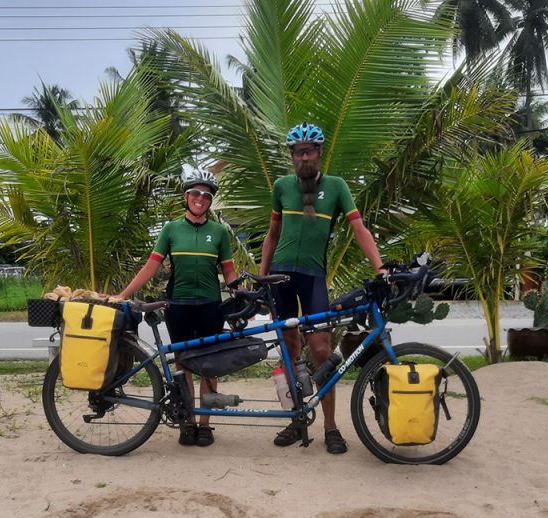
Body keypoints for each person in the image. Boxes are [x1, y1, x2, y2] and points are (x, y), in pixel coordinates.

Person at [259, 122, 384, 454]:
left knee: (321, 351)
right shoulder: (282, 187)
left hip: (313, 277)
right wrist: (261, 279)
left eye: (309, 151)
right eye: (298, 152)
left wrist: (380, 267)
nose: (304, 157)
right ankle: (295, 419)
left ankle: (330, 426)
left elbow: (359, 229)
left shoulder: (337, 187)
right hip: (280, 278)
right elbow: (272, 236)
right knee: (288, 353)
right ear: (292, 156)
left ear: (319, 153)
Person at [113, 167, 238, 448]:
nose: (200, 198)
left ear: (210, 201)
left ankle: (204, 423)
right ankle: (188, 422)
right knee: (183, 364)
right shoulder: (171, 229)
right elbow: (151, 266)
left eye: (206, 195)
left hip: (210, 305)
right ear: (186, 196)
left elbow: (229, 273)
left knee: (209, 365)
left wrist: (242, 294)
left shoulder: (218, 232)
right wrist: (123, 294)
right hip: (179, 305)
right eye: (195, 193)